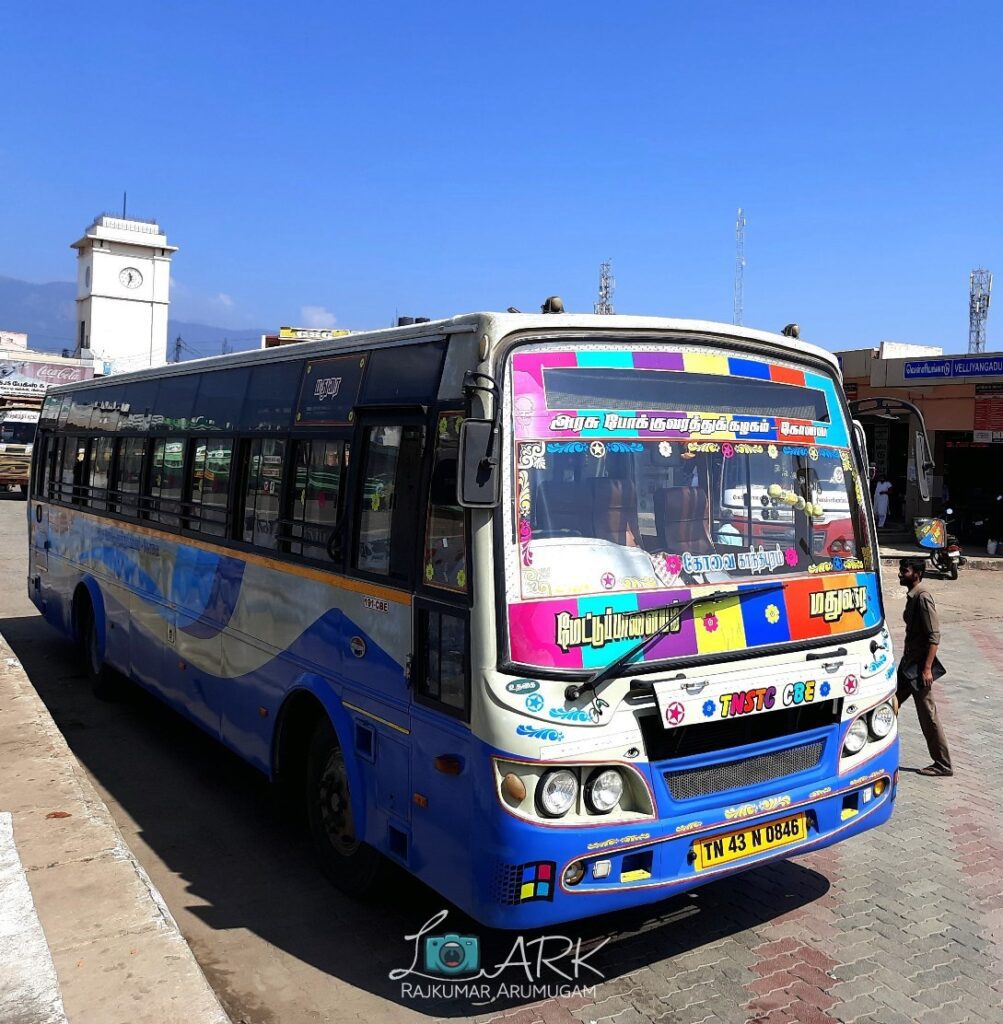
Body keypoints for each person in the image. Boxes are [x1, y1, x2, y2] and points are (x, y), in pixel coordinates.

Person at [896, 558, 952, 777]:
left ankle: (943, 763)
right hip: (907, 665)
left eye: (905, 571)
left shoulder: (922, 598)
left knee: (928, 715)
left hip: (918, 669)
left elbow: (934, 637)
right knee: (889, 704)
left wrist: (927, 668)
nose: (901, 574)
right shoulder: (912, 596)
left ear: (917, 574)